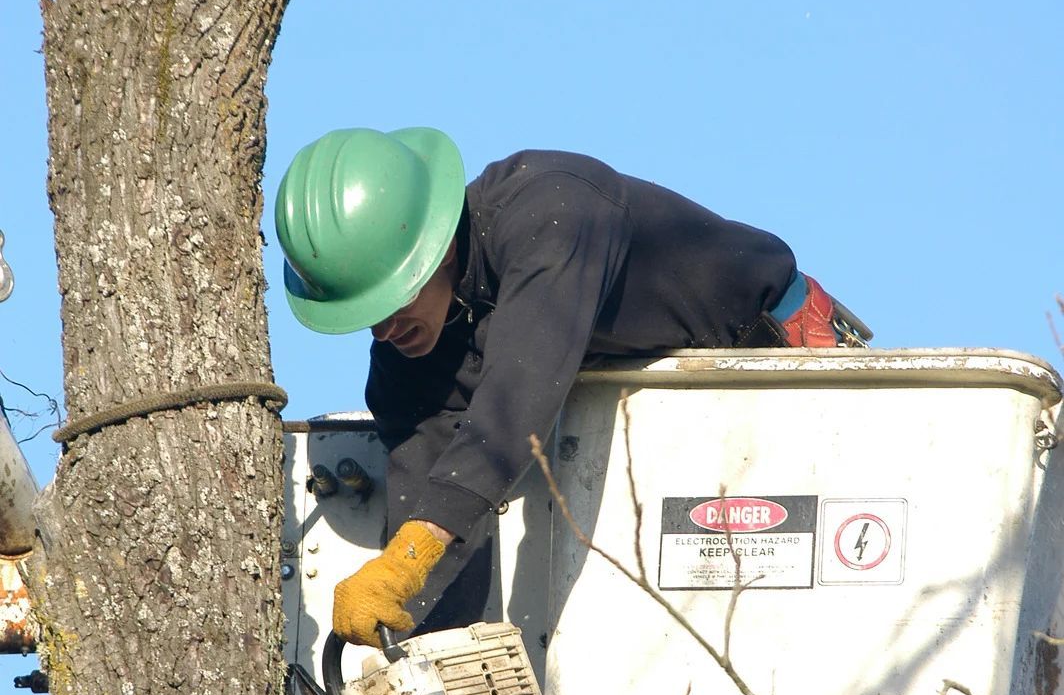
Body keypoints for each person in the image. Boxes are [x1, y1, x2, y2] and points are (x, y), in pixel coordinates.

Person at [276, 127, 869, 648]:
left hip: (781, 375)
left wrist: (407, 560)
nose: (382, 329)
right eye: (367, 315)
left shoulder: (552, 210)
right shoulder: (413, 350)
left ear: (431, 250)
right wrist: (419, 648)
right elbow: (429, 488)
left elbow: (514, 400)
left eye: (391, 300)